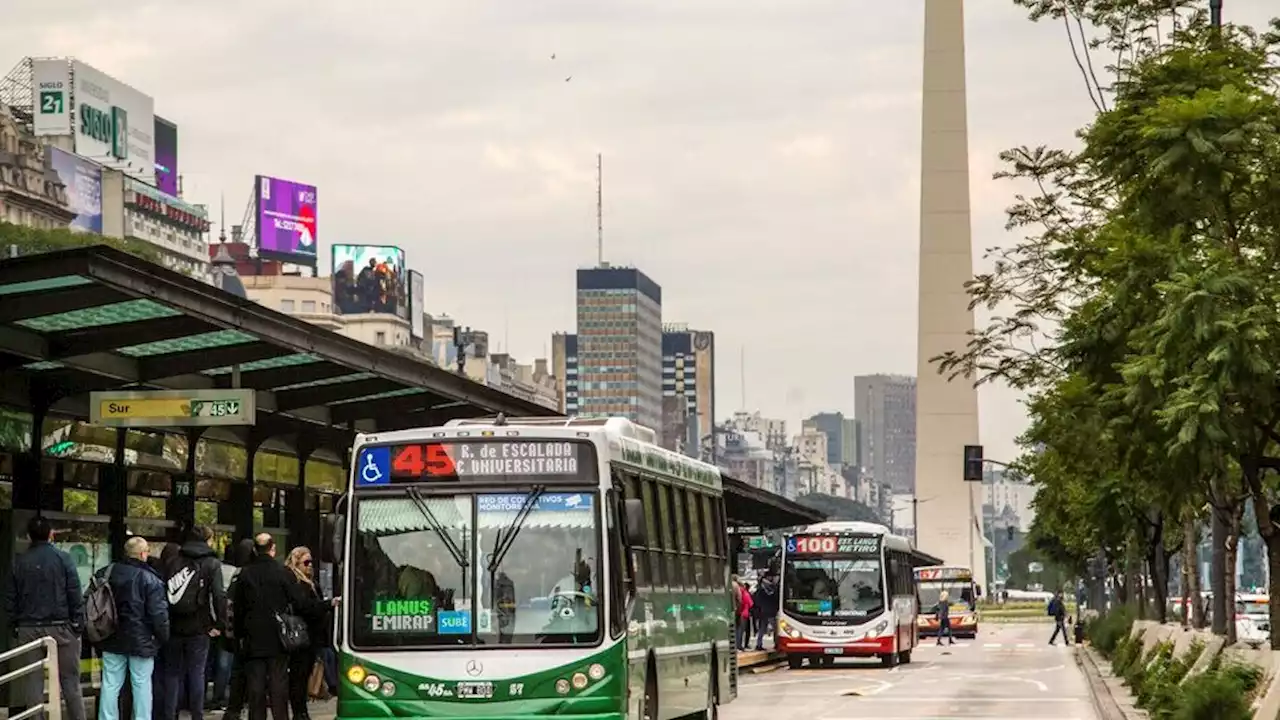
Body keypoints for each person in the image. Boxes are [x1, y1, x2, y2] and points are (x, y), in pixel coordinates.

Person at [232, 534, 333, 720]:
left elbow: (238, 609)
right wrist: (327, 604)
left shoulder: (245, 574)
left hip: (252, 639)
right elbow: (301, 603)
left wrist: (239, 635)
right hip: (278, 638)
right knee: (278, 686)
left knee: (256, 688)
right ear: (273, 549)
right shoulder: (281, 573)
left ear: (255, 549)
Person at [4, 516, 87, 720]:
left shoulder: (19, 562)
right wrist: (77, 624)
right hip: (62, 628)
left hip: (28, 628)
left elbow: (9, 599)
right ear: (51, 535)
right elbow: (75, 594)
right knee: (71, 683)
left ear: (29, 536)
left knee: (33, 682)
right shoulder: (63, 559)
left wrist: (14, 625)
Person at [96, 537, 170, 720]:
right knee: (142, 684)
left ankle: (107, 718)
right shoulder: (150, 579)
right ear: (144, 554)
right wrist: (163, 637)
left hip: (110, 635)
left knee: (110, 683)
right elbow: (158, 614)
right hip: (141, 639)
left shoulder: (106, 572)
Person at [161, 527, 226, 720]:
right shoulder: (212, 563)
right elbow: (219, 596)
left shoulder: (173, 561)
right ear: (207, 540)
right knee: (197, 672)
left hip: (173, 626)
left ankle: (170, 714)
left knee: (172, 674)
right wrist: (219, 625)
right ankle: (197, 715)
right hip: (199, 626)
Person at [283, 547, 327, 720]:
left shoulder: (312, 583)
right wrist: (327, 605)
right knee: (298, 676)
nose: (310, 566)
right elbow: (305, 607)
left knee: (306, 673)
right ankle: (299, 712)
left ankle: (302, 710)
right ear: (296, 563)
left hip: (312, 636)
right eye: (306, 562)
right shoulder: (295, 583)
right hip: (300, 635)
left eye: (311, 562)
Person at [752, 574, 780, 651]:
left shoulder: (759, 591)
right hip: (771, 611)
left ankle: (759, 644)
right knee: (776, 629)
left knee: (762, 628)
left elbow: (757, 601)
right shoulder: (773, 590)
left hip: (763, 611)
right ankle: (777, 644)